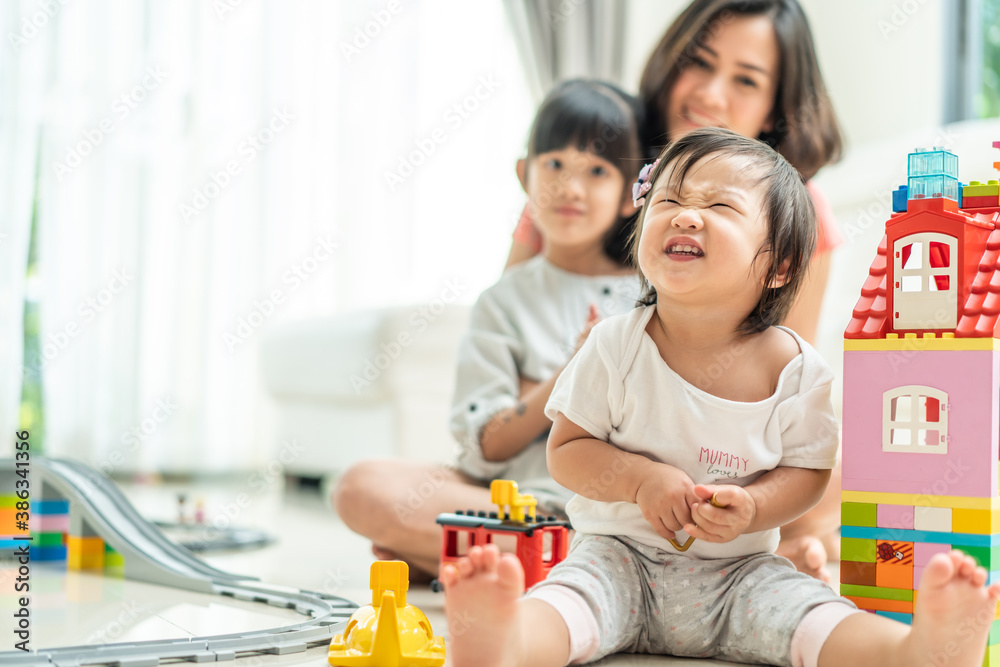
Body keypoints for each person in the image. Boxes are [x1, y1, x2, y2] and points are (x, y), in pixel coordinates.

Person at [441, 127, 1000, 667]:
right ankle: (505, 645)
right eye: (669, 199)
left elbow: (808, 473)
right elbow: (566, 449)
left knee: (814, 615)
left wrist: (756, 505)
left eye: (721, 208)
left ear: (779, 266)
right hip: (619, 559)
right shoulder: (614, 343)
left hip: (742, 574)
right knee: (568, 603)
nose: (686, 214)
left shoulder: (797, 370)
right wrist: (638, 479)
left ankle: (913, 654)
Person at [506, 0, 843, 580]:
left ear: (774, 107)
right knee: (367, 489)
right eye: (699, 62)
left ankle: (514, 548)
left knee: (838, 468)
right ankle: (539, 541)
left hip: (722, 476)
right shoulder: (586, 171)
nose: (711, 93)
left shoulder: (795, 218)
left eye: (745, 79)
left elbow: (779, 403)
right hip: (567, 453)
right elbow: (506, 342)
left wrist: (748, 503)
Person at [332, 79, 645, 579]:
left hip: (625, 510)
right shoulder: (505, 300)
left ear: (631, 196)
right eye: (555, 164)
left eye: (598, 170)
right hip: (523, 508)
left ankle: (465, 554)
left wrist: (529, 401)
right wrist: (570, 375)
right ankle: (546, 558)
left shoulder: (654, 295)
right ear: (525, 175)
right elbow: (487, 445)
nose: (571, 187)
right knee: (360, 487)